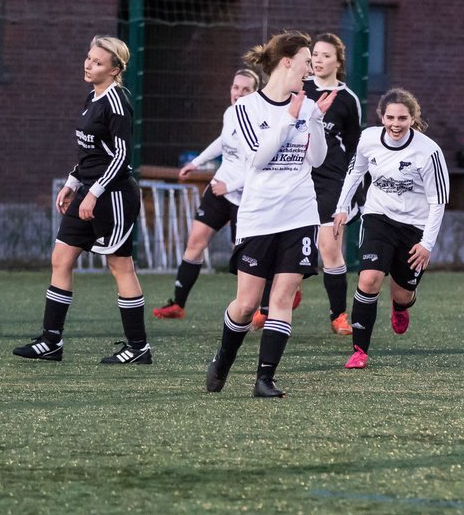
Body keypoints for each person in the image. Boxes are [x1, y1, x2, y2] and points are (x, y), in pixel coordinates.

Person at [205, 31, 335, 398]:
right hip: (260, 216)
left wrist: (312, 121)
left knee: (281, 299)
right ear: (287, 61)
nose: (311, 69)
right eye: (307, 61)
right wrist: (289, 120)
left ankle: (265, 379)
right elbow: (258, 160)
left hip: (300, 214)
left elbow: (318, 159)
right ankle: (223, 360)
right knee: (246, 304)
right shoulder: (244, 110)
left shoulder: (307, 106)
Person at [12, 36, 152, 364]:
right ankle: (51, 342)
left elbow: (121, 156)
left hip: (113, 195)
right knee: (61, 259)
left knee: (120, 266)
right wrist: (72, 182)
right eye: (89, 58)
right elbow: (90, 150)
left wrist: (94, 192)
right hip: (89, 191)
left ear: (115, 69)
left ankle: (139, 347)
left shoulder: (117, 102)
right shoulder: (92, 97)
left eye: (98, 62)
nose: (89, 65)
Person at [332, 88, 448, 369]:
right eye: (390, 117)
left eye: (402, 118)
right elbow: (356, 171)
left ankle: (401, 306)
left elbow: (438, 202)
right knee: (369, 279)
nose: (396, 124)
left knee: (402, 293)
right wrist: (342, 206)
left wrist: (427, 244)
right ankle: (360, 350)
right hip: (378, 217)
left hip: (414, 228)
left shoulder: (428, 151)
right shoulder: (368, 139)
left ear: (412, 118)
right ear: (381, 117)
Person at [153, 68, 260, 320]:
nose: (239, 93)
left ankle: (259, 307)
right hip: (220, 187)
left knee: (244, 256)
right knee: (195, 241)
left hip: (245, 196)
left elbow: (260, 166)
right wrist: (196, 163)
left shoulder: (259, 121)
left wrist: (230, 187)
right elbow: (223, 141)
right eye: (236, 87)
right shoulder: (231, 113)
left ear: (256, 93)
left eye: (246, 89)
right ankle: (177, 304)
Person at [302, 33, 364, 335]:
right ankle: (285, 294)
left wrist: (357, 190)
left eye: (326, 55)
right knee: (289, 244)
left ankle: (338, 315)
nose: (318, 59)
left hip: (332, 182)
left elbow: (356, 149)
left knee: (328, 247)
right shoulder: (299, 89)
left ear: (338, 61)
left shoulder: (347, 99)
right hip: (299, 179)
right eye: (315, 54)